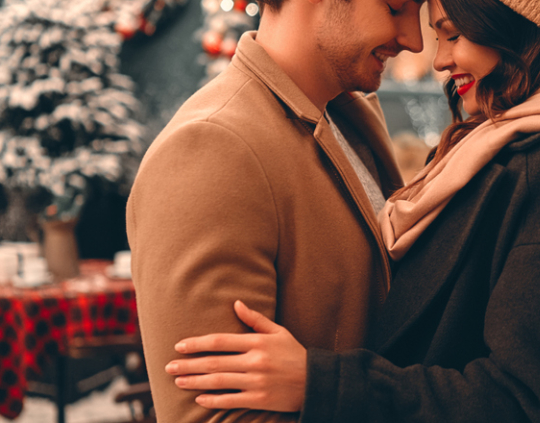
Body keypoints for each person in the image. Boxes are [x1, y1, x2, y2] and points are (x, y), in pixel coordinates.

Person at [162, 0, 540, 421]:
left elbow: (520, 404)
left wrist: (319, 382)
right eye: (396, 8)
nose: (424, 50)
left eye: (450, 33)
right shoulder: (479, 150)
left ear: (511, 32)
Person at [125, 0, 424, 421]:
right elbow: (216, 416)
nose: (415, 39)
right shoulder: (212, 148)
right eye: (395, 8)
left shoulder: (348, 119)